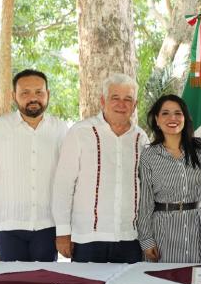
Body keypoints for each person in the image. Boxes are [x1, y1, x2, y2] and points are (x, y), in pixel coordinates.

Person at [0, 69, 68, 261]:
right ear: (14, 96)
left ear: (47, 95)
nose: (33, 98)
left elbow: (68, 181)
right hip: (7, 228)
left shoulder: (60, 130)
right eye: (25, 93)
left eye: (39, 92)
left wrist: (66, 228)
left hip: (48, 226)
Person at [52, 73, 148, 263]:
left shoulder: (141, 138)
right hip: (88, 237)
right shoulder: (80, 132)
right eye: (115, 98)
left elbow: (146, 186)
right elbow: (63, 184)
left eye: (128, 99)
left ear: (134, 105)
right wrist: (63, 232)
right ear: (103, 101)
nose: (121, 104)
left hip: (130, 238)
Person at [137, 95, 201, 263]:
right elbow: (145, 201)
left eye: (178, 113)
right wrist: (146, 239)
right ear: (157, 120)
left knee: (198, 282)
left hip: (199, 227)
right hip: (163, 231)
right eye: (165, 113)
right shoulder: (149, 155)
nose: (172, 118)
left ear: (185, 118)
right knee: (165, 283)